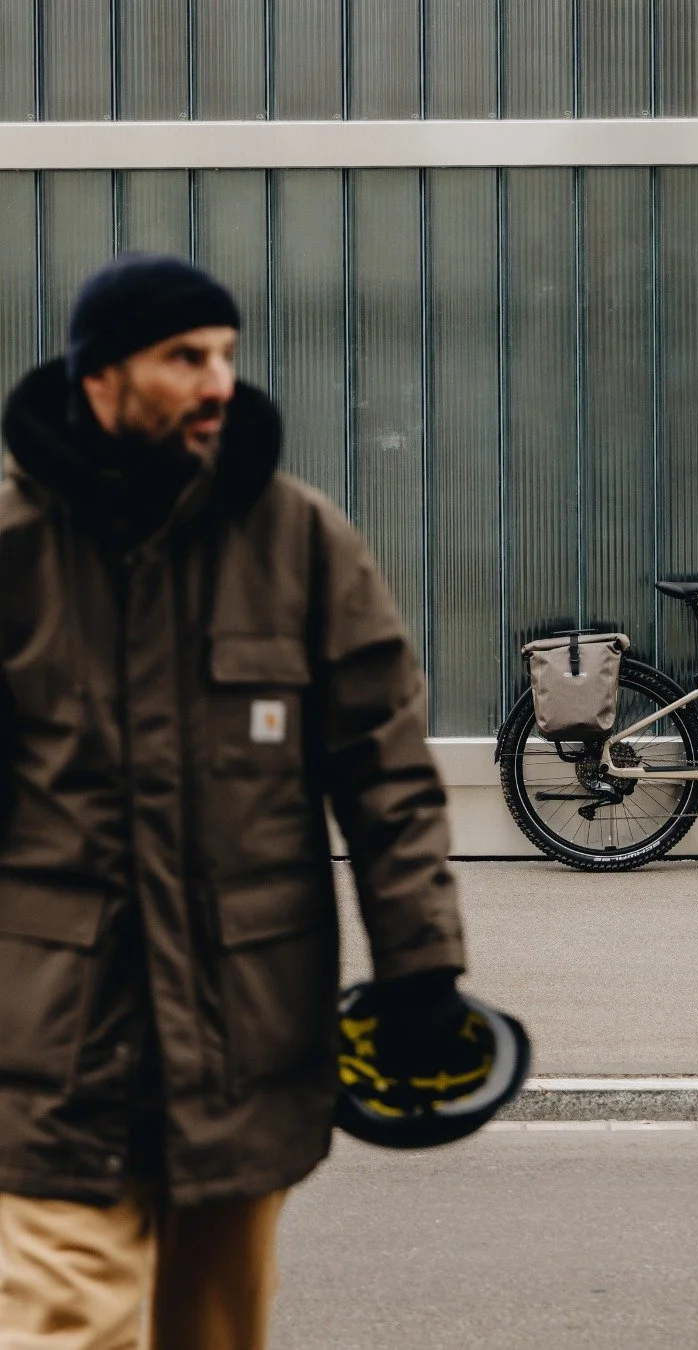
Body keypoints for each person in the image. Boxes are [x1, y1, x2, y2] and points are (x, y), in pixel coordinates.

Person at [0, 254, 467, 1348]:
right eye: (184, 357)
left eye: (224, 354)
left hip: (244, 1039)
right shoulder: (13, 551)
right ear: (101, 376)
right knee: (57, 1325)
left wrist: (422, 968)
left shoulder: (298, 541)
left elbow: (388, 775)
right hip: (51, 1045)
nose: (219, 382)